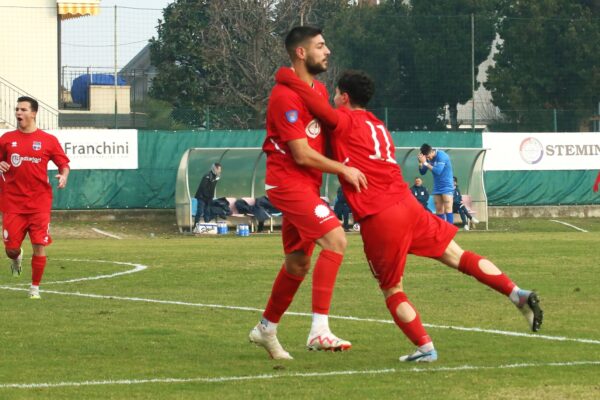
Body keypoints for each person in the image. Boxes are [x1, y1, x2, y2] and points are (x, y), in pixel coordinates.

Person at [276, 68, 543, 363]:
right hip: (408, 205)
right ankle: (516, 292)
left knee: (392, 288)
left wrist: (286, 77)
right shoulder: (379, 126)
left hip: (381, 215)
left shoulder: (344, 119)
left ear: (344, 96)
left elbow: (316, 107)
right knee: (459, 256)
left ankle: (425, 347)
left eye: (336, 93)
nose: (332, 97)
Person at [248, 26, 368, 360]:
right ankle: (319, 331)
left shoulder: (316, 90)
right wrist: (343, 169)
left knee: (298, 264)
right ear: (301, 53)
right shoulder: (285, 96)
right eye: (320, 45)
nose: (327, 50)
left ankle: (266, 329)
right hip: (288, 183)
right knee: (336, 239)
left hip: (308, 186)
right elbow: (300, 154)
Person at [0, 96, 70, 299]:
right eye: (17, 109)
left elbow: (63, 163)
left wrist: (64, 175)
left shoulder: (48, 141)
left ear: (33, 113)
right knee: (11, 249)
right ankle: (16, 259)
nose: (18, 113)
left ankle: (35, 289)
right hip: (12, 203)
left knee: (39, 244)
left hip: (39, 202)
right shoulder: (6, 139)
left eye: (23, 109)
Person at [418, 143, 454, 223]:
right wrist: (420, 162)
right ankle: (441, 231)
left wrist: (425, 163)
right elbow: (422, 172)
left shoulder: (442, 155)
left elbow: (438, 171)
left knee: (448, 207)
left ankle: (449, 231)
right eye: (426, 158)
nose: (428, 159)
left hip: (447, 185)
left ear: (431, 152)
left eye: (428, 157)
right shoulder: (427, 158)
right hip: (437, 186)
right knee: (438, 208)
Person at [193, 163, 221, 228]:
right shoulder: (207, 176)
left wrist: (210, 197)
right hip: (201, 197)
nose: (220, 171)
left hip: (208, 197)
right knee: (200, 211)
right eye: (219, 169)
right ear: (215, 169)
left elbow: (212, 188)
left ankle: (207, 226)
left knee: (207, 212)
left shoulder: (216, 177)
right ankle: (195, 227)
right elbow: (203, 187)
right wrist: (207, 196)